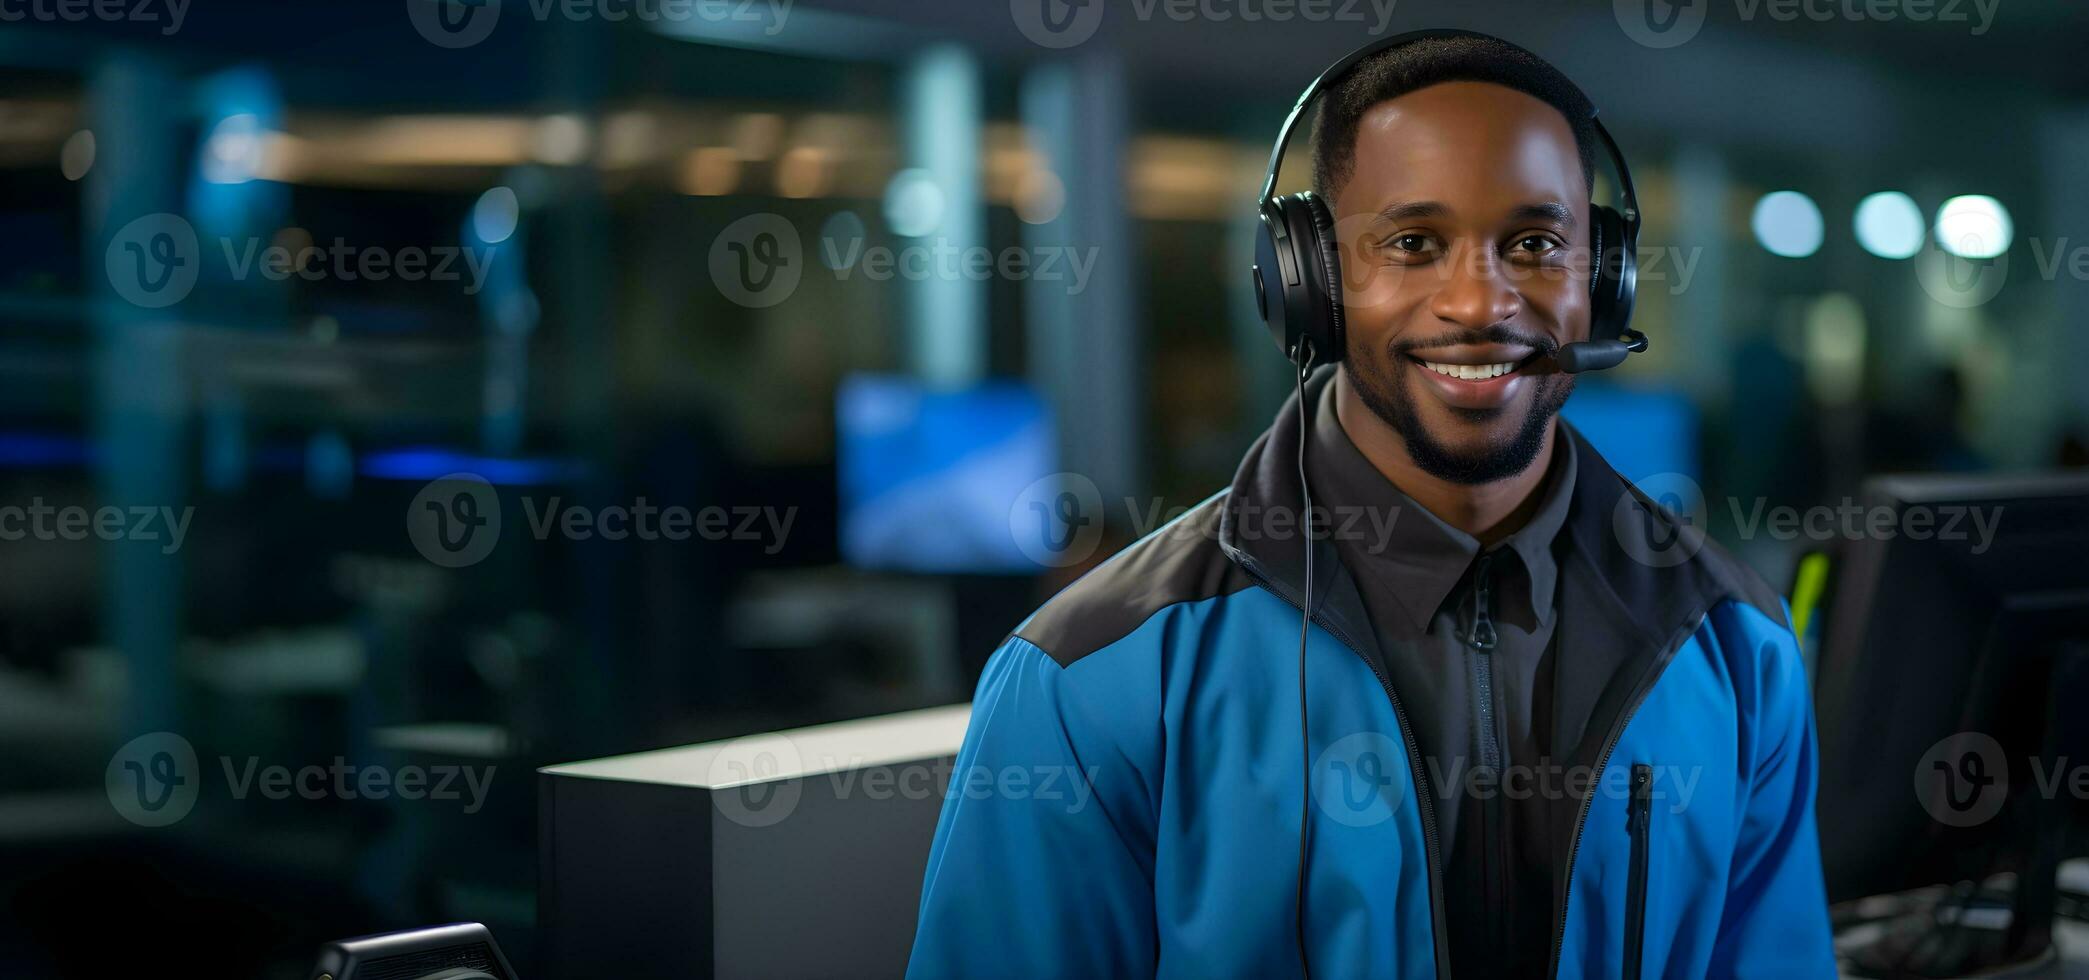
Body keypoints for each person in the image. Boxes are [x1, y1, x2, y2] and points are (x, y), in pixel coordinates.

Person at [907, 32, 1836, 978]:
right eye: (1412, 243)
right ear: (1308, 279)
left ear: (1601, 279)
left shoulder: (1735, 649)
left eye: (1534, 243)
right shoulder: (1091, 675)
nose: (1479, 301)